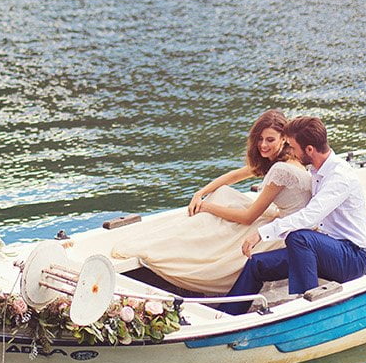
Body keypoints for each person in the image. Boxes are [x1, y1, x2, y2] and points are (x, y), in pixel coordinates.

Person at [110, 111, 312, 295]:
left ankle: (187, 248)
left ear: (284, 139)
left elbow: (248, 217)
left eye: (270, 139)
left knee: (216, 210)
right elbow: (234, 176)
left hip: (286, 232)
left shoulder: (282, 169)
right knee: (222, 194)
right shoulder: (283, 158)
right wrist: (201, 193)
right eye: (259, 139)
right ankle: (187, 238)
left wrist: (207, 206)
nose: (263, 145)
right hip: (288, 221)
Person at [217, 116, 366, 315]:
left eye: (292, 147)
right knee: (258, 264)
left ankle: (308, 308)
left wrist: (261, 233)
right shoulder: (316, 168)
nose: (290, 151)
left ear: (309, 150)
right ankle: (226, 315)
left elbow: (310, 217)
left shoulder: (339, 177)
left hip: (352, 258)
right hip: (326, 250)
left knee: (299, 237)